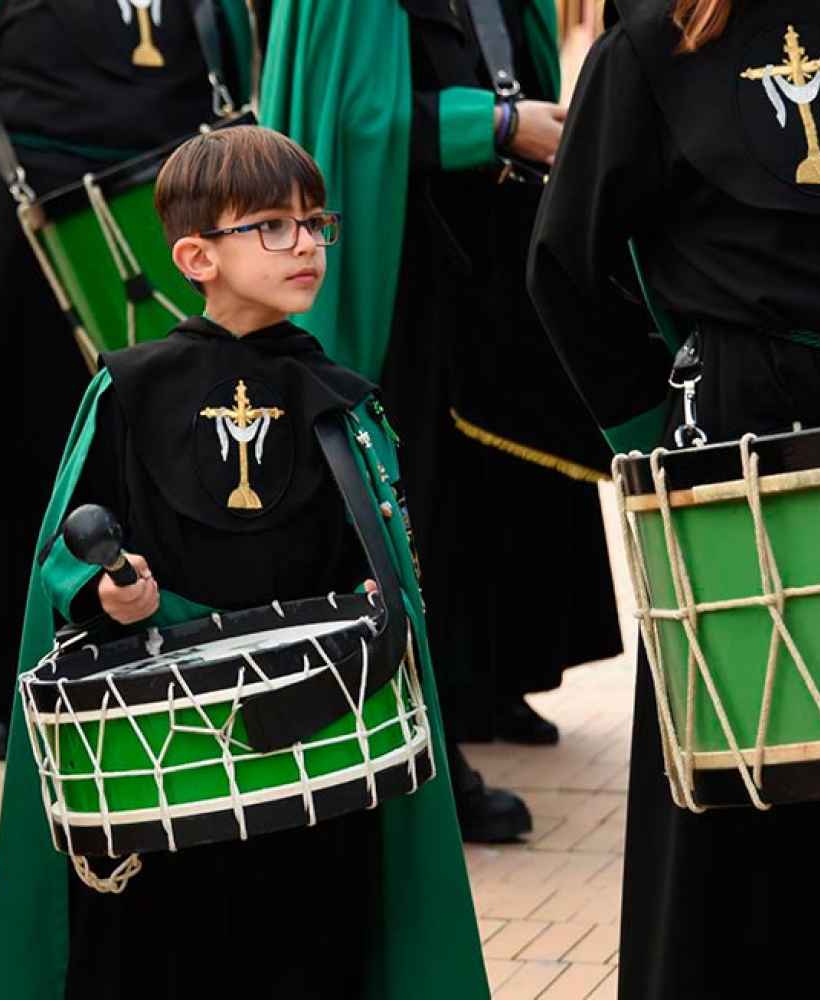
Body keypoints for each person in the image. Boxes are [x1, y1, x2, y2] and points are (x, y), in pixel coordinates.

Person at [528, 0, 820, 995]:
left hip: (770, 445)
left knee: (773, 784)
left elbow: (564, 267)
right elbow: (565, 266)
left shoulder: (654, 45)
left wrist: (654, 434)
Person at [0, 125, 487, 998]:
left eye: (315, 223)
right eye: (272, 226)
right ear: (195, 256)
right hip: (164, 756)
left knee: (313, 955)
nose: (306, 244)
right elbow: (64, 554)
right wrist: (106, 591)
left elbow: (378, 570)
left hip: (317, 753)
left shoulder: (343, 402)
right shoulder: (128, 388)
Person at [259, 0, 620, 842]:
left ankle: (486, 679)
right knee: (421, 493)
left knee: (501, 472)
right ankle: (424, 737)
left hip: (490, 247)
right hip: (402, 259)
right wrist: (496, 125)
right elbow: (354, 120)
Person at [0, 0, 253, 759]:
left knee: (166, 444)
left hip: (168, 226)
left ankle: (173, 654)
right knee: (5, 447)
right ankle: (7, 680)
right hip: (16, 230)